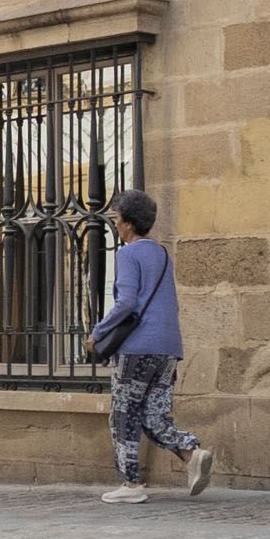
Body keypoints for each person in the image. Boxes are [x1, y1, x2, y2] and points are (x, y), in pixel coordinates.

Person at [85, 188, 208, 504]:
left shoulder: (127, 254)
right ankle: (191, 453)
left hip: (137, 348)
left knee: (124, 414)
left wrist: (98, 332)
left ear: (127, 223)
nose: (115, 224)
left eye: (116, 218)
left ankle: (130, 484)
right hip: (168, 347)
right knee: (154, 415)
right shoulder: (162, 254)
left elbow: (127, 303)